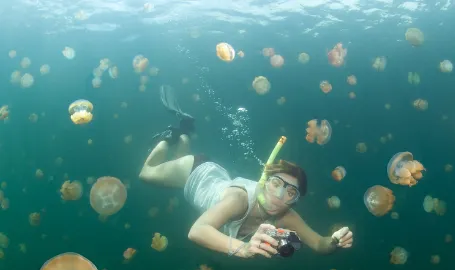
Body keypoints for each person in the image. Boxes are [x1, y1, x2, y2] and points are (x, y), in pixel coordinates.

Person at [139, 85, 354, 259]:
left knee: (175, 158)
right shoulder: (240, 198)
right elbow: (197, 231)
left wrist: (334, 240)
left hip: (216, 176)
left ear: (295, 200)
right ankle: (167, 138)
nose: (279, 196)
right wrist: (243, 249)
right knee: (147, 174)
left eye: (290, 193)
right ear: (264, 180)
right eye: (276, 184)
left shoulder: (286, 215)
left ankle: (184, 133)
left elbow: (318, 243)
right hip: (196, 172)